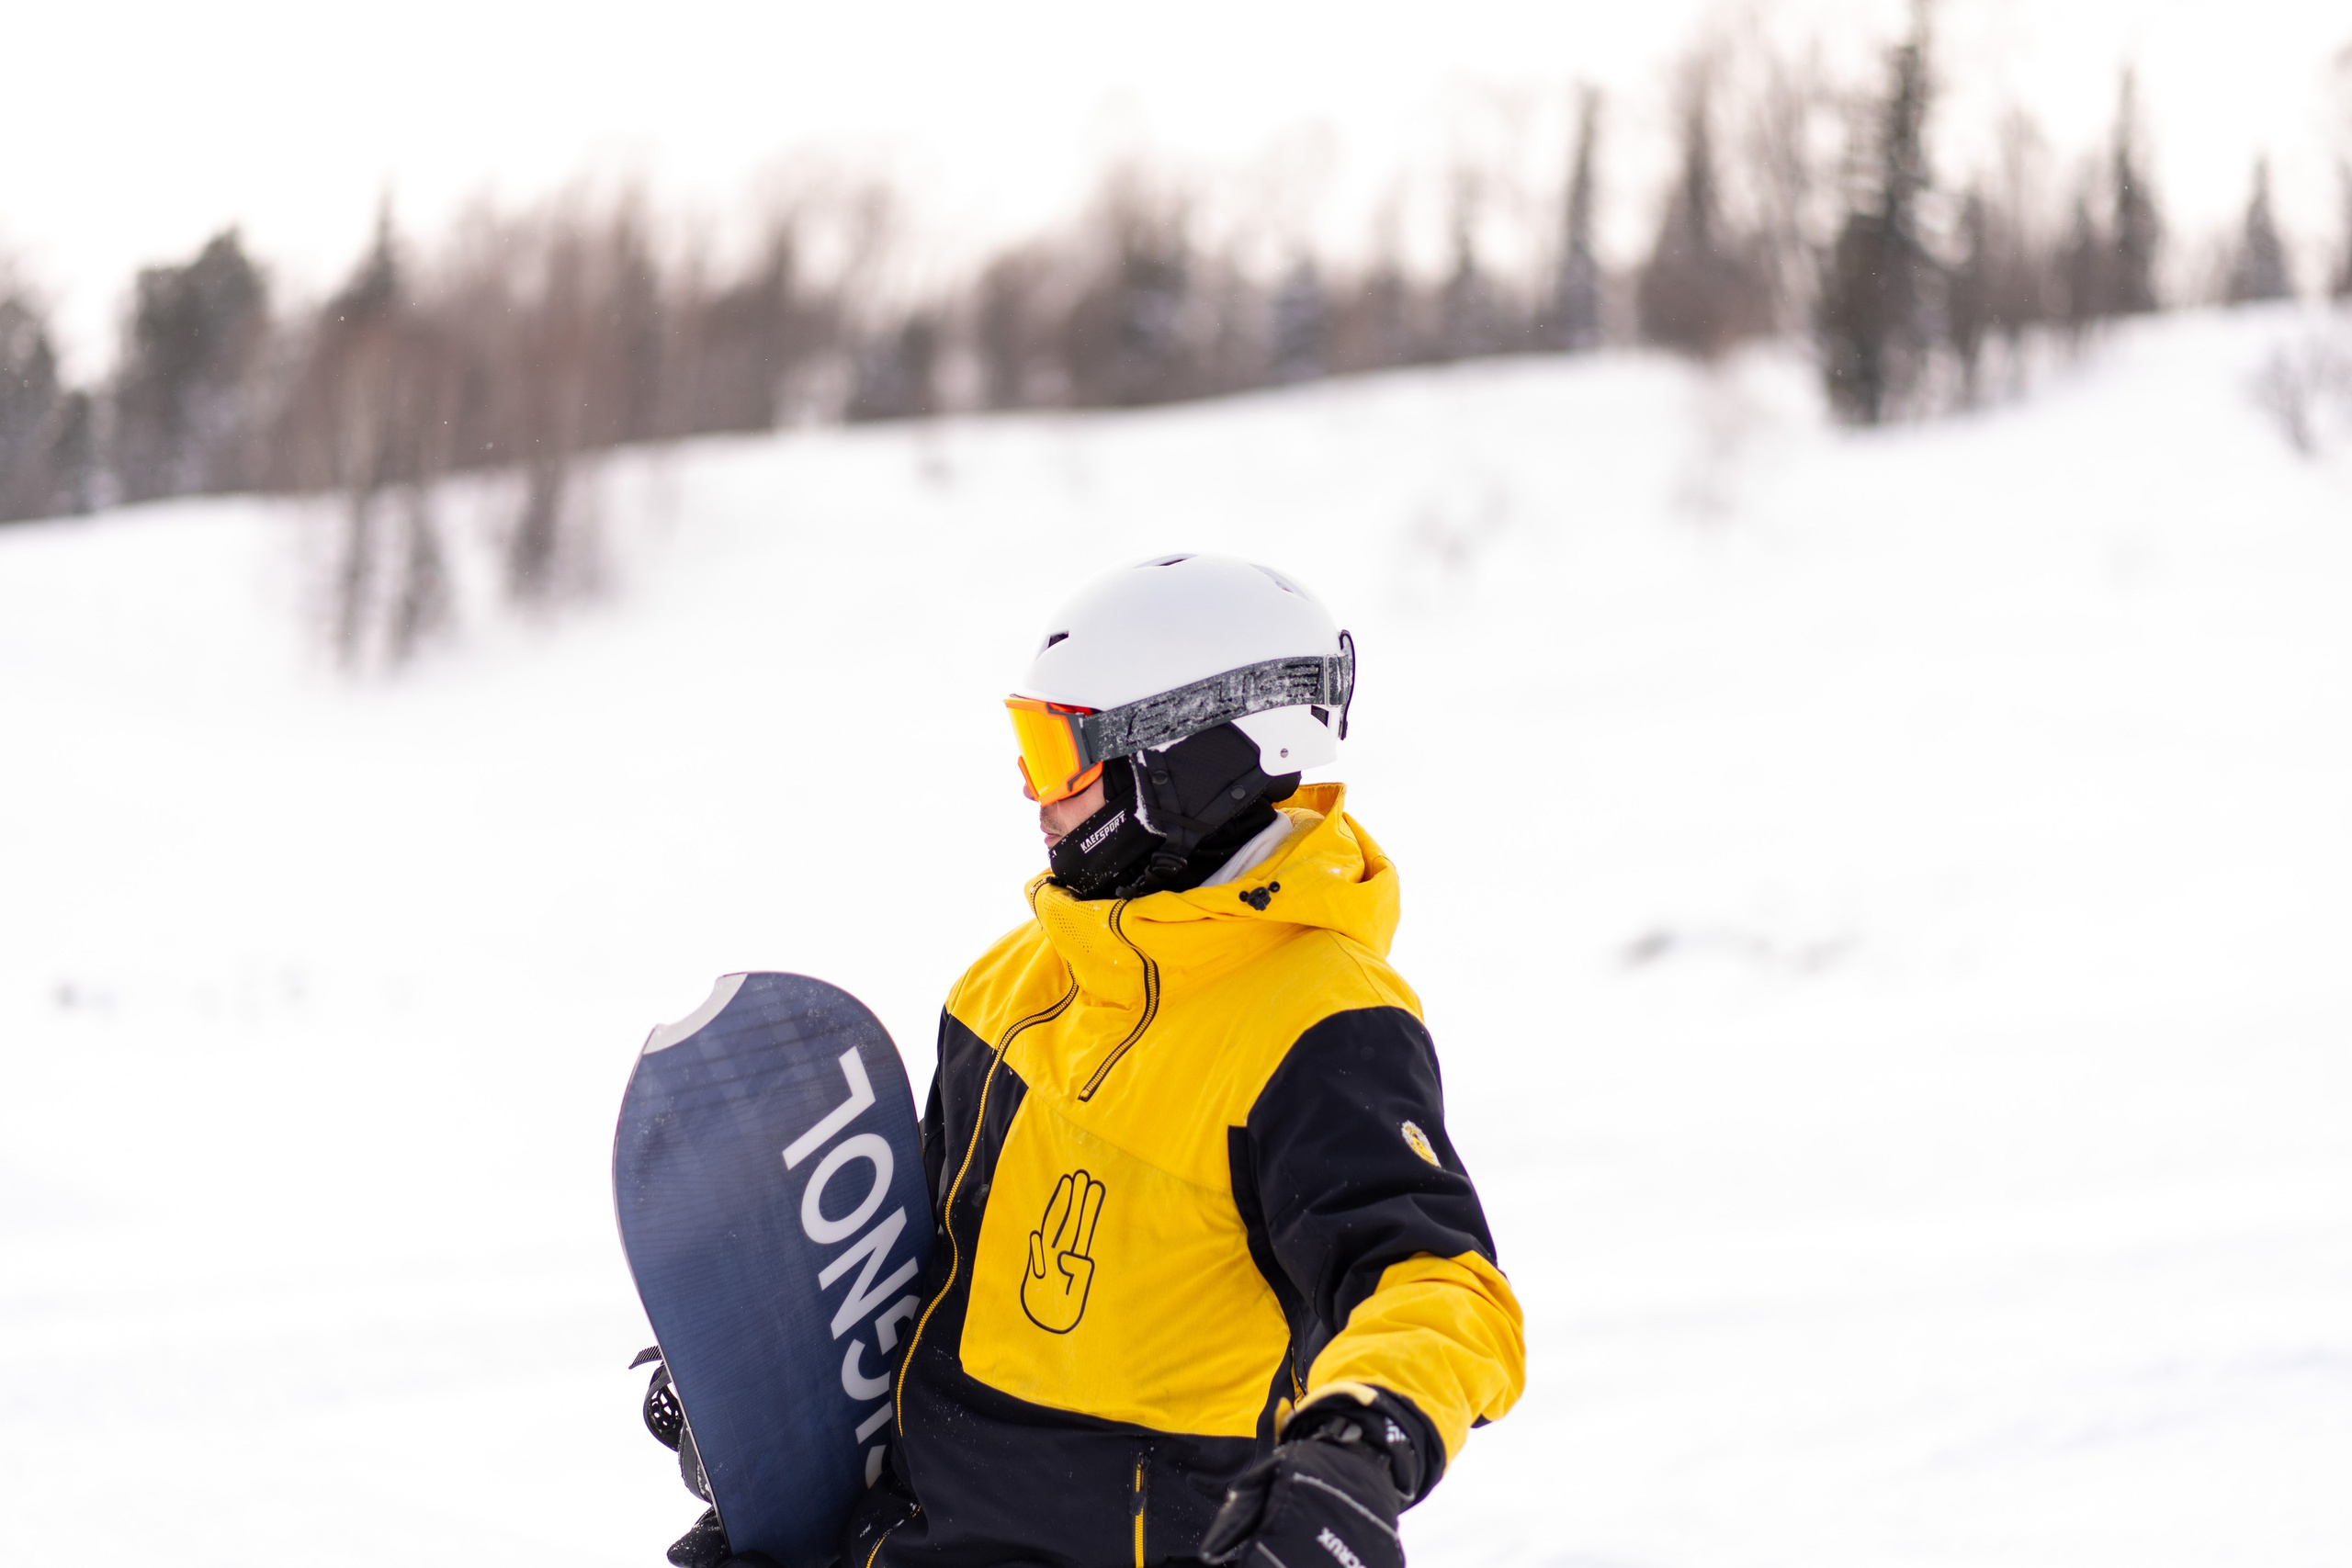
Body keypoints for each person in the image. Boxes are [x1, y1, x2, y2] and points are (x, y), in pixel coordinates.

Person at [661, 553, 1524, 1568]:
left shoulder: (1318, 1021)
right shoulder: (1014, 985)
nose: (1035, 794)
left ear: (1187, 761)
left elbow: (1439, 1285)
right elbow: (908, 1294)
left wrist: (1354, 1454)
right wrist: (771, 1431)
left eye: (1058, 753)